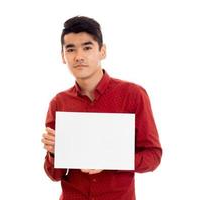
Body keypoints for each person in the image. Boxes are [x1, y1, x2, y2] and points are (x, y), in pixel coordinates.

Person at [41, 16, 162, 200]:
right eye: (71, 49)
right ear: (63, 57)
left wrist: (112, 159)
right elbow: (54, 175)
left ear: (102, 51)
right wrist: (53, 152)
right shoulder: (59, 103)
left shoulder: (133, 95)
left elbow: (153, 157)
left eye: (87, 48)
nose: (79, 56)